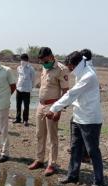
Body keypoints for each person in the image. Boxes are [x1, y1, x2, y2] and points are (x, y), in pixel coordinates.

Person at [46, 51, 104, 186]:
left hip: (90, 119)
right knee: (75, 148)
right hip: (78, 116)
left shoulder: (88, 75)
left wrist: (54, 108)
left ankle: (99, 181)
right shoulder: (82, 69)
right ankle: (72, 176)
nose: (70, 70)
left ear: (78, 64)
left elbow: (72, 94)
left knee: (92, 151)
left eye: (71, 67)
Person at [28, 47, 69, 176]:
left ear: (51, 56)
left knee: (52, 136)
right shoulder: (45, 67)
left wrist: (58, 110)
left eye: (45, 60)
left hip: (53, 105)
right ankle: (39, 159)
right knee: (39, 134)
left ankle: (52, 163)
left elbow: (65, 92)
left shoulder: (62, 69)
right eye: (42, 61)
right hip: (41, 105)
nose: (44, 63)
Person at [14, 53, 35, 126]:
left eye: (24, 60)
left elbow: (33, 79)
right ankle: (18, 118)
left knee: (26, 106)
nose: (23, 61)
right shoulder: (18, 68)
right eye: (22, 60)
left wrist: (31, 88)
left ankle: (25, 120)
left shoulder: (31, 69)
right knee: (18, 104)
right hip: (19, 89)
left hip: (27, 90)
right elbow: (18, 77)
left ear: (27, 60)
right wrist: (17, 86)